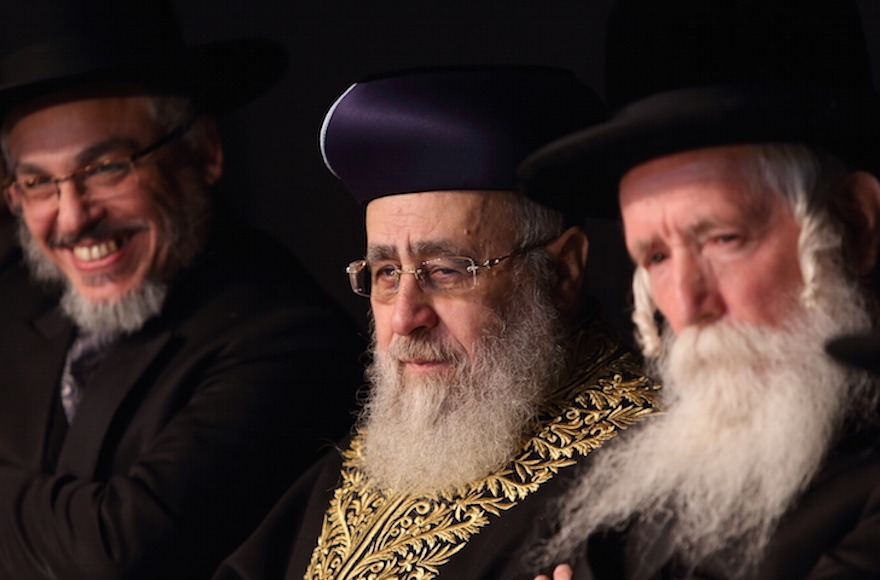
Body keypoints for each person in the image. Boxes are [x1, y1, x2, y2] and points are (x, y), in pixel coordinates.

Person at [214, 65, 660, 580]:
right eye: (385, 273)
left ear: (561, 273)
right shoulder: (386, 453)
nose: (405, 318)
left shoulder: (639, 484)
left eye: (446, 272)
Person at [0, 1, 365, 578]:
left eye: (106, 168)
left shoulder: (291, 336)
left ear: (202, 153)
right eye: (39, 182)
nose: (72, 219)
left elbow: (119, 555)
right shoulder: (15, 299)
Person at [520, 0, 880, 578]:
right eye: (656, 256)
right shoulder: (658, 491)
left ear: (856, 224)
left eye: (722, 239)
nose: (686, 306)